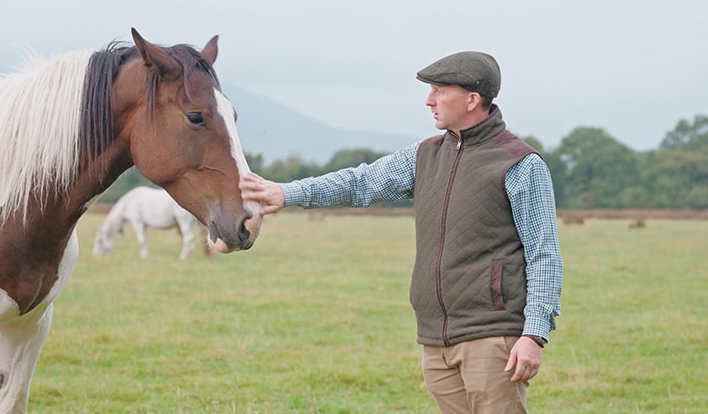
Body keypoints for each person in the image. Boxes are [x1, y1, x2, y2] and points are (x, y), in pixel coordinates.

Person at [240, 51, 563, 413]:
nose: (429, 100)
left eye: (440, 91)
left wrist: (534, 335)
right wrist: (288, 193)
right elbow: (360, 183)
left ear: (472, 100)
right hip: (436, 338)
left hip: (492, 338)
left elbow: (544, 254)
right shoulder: (424, 155)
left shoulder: (520, 163)